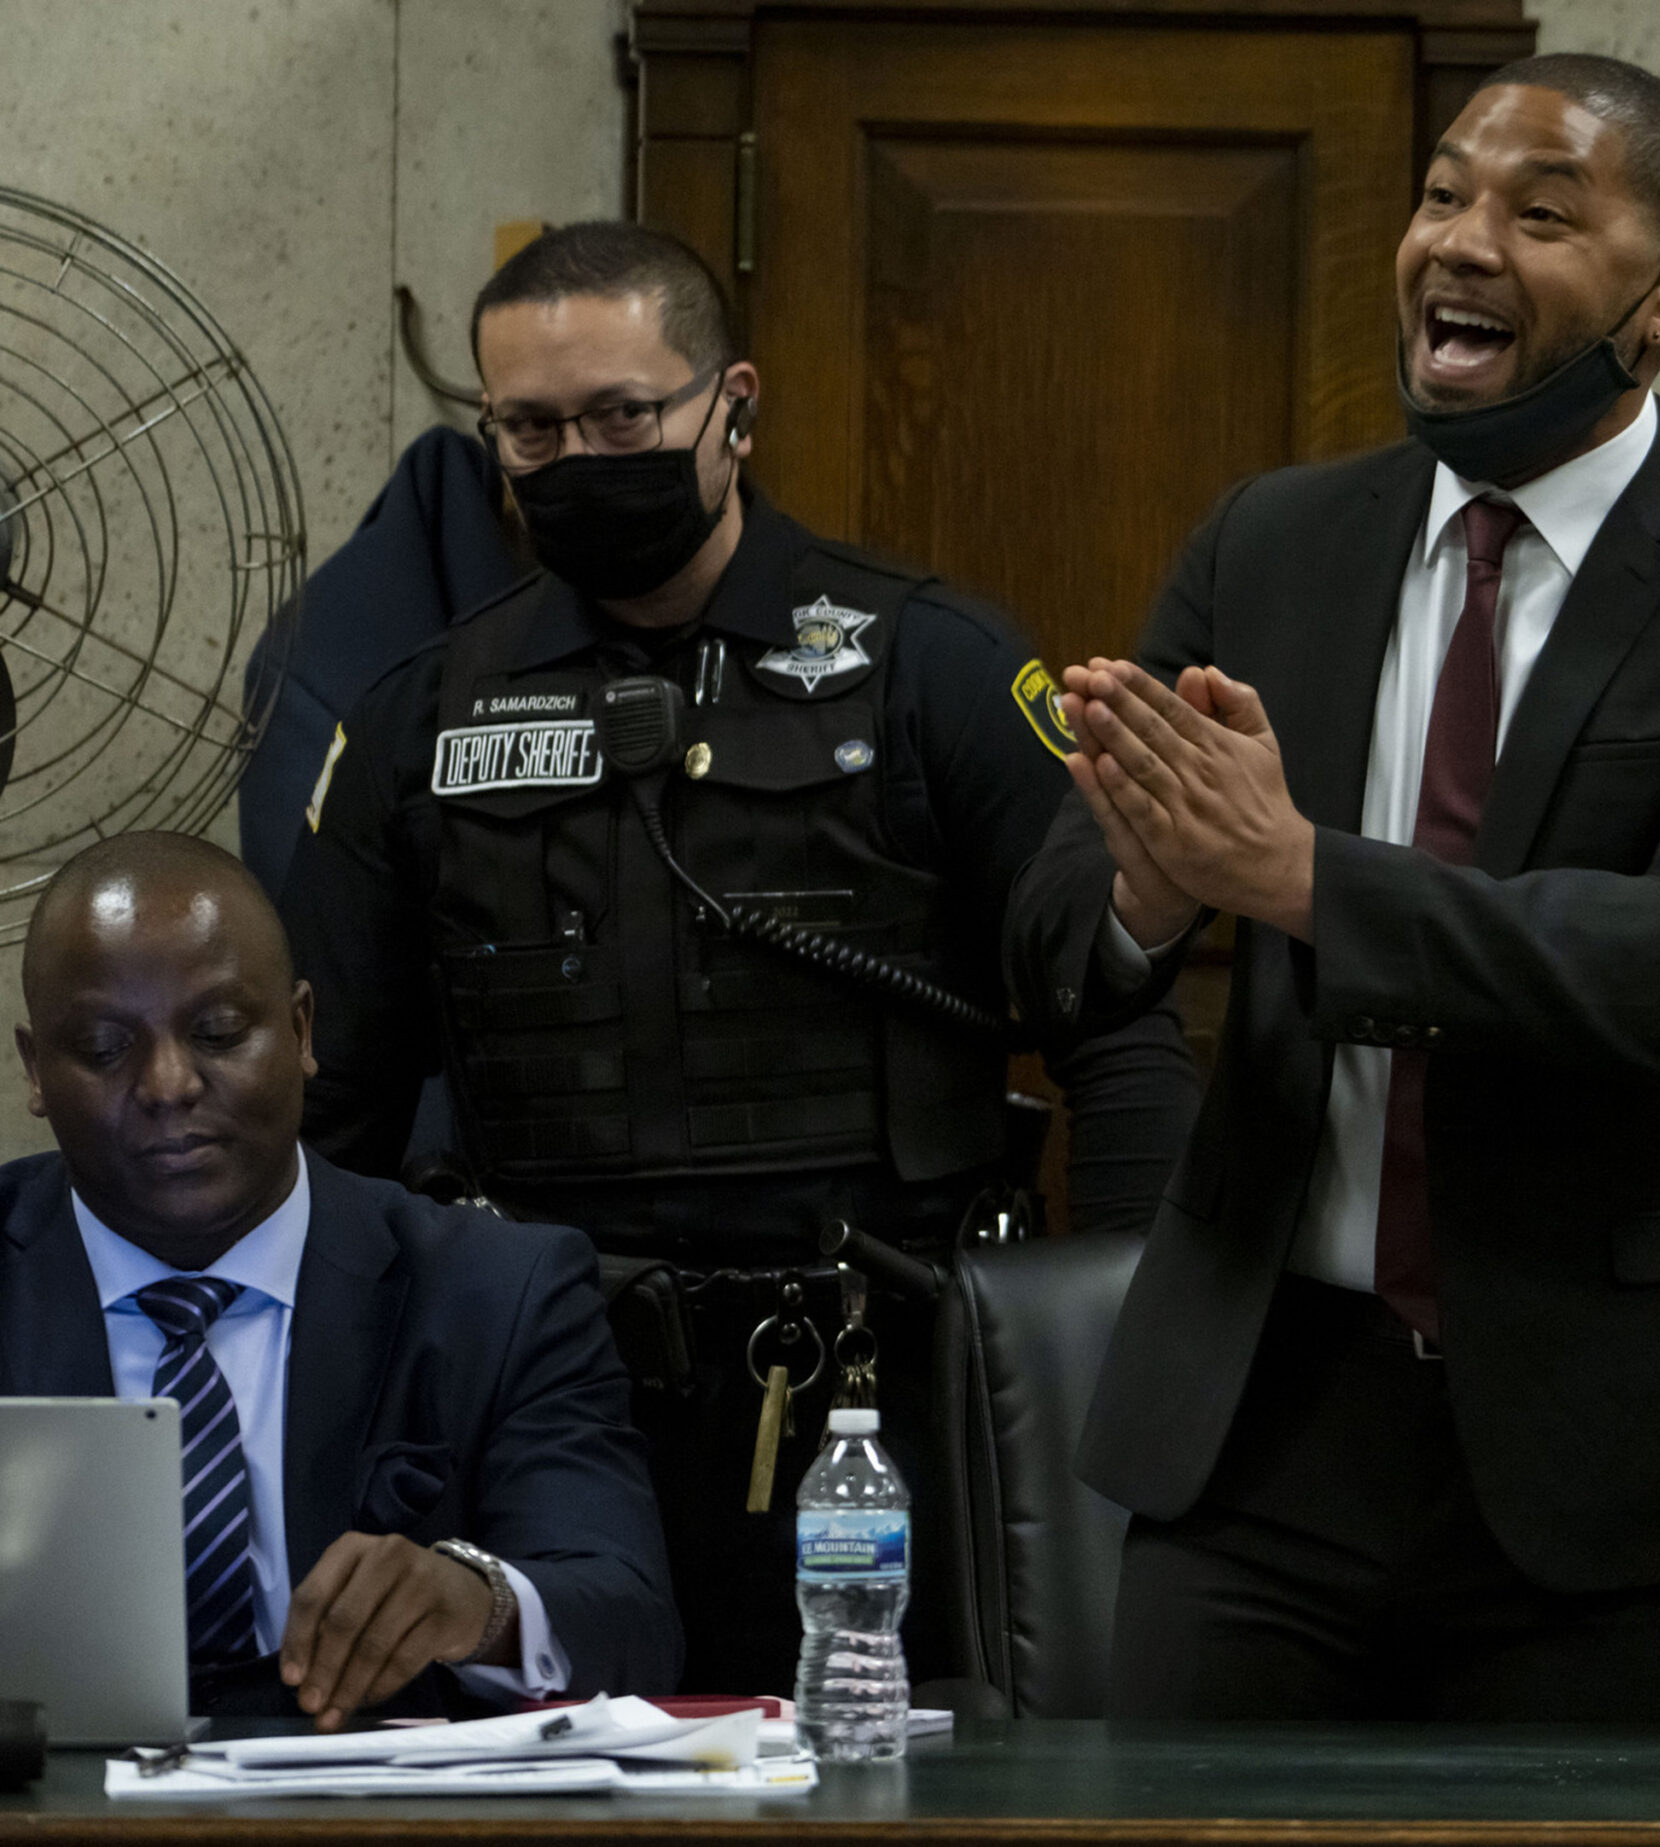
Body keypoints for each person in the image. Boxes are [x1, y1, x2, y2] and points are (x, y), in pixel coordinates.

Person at [1005, 54, 1660, 1719]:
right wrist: (1147, 891)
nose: (1461, 242)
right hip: (1256, 1436)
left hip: (1603, 1468)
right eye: (1440, 196)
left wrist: (1297, 878)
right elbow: (1061, 948)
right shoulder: (1269, 542)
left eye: (1540, 213)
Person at [276, 222, 1200, 1693]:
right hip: (545, 1394)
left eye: (623, 416)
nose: (577, 455)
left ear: (735, 404)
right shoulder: (422, 715)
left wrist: (1119, 1362)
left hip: (872, 1394)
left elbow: (1114, 1016)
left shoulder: (930, 660)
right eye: (530, 425)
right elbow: (334, 1102)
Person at [0, 832, 678, 1724]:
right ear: (34, 1069)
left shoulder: (499, 1292)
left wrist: (478, 1605)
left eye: (217, 1032)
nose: (167, 1085)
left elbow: (629, 1620)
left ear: (302, 1029)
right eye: (101, 1046)